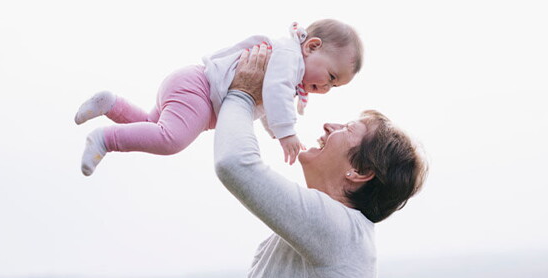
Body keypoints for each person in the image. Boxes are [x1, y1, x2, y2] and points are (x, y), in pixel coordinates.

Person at [215, 43, 428, 278]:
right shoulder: (336, 232)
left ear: (360, 172)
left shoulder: (339, 230)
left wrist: (242, 94)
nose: (329, 125)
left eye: (348, 129)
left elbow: (234, 163)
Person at [74, 19, 363, 176]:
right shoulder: (289, 58)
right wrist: (286, 132)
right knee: (170, 140)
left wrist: (274, 131)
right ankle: (105, 139)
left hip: (190, 84)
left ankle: (111, 104)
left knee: (152, 125)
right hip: (198, 91)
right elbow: (273, 93)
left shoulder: (288, 68)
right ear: (312, 46)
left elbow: (264, 105)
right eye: (331, 77)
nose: (326, 88)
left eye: (334, 87)